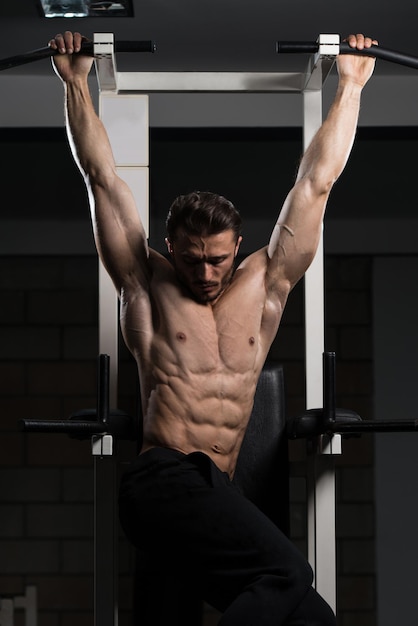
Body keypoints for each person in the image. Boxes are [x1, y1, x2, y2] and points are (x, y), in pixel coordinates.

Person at [49, 31, 377, 625]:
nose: (205, 271)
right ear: (168, 247)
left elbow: (316, 183)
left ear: (239, 248)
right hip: (163, 482)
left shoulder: (266, 284)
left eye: (218, 258)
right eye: (192, 258)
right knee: (288, 573)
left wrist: (351, 83)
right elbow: (101, 179)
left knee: (311, 618)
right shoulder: (146, 284)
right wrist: (75, 81)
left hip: (216, 494)